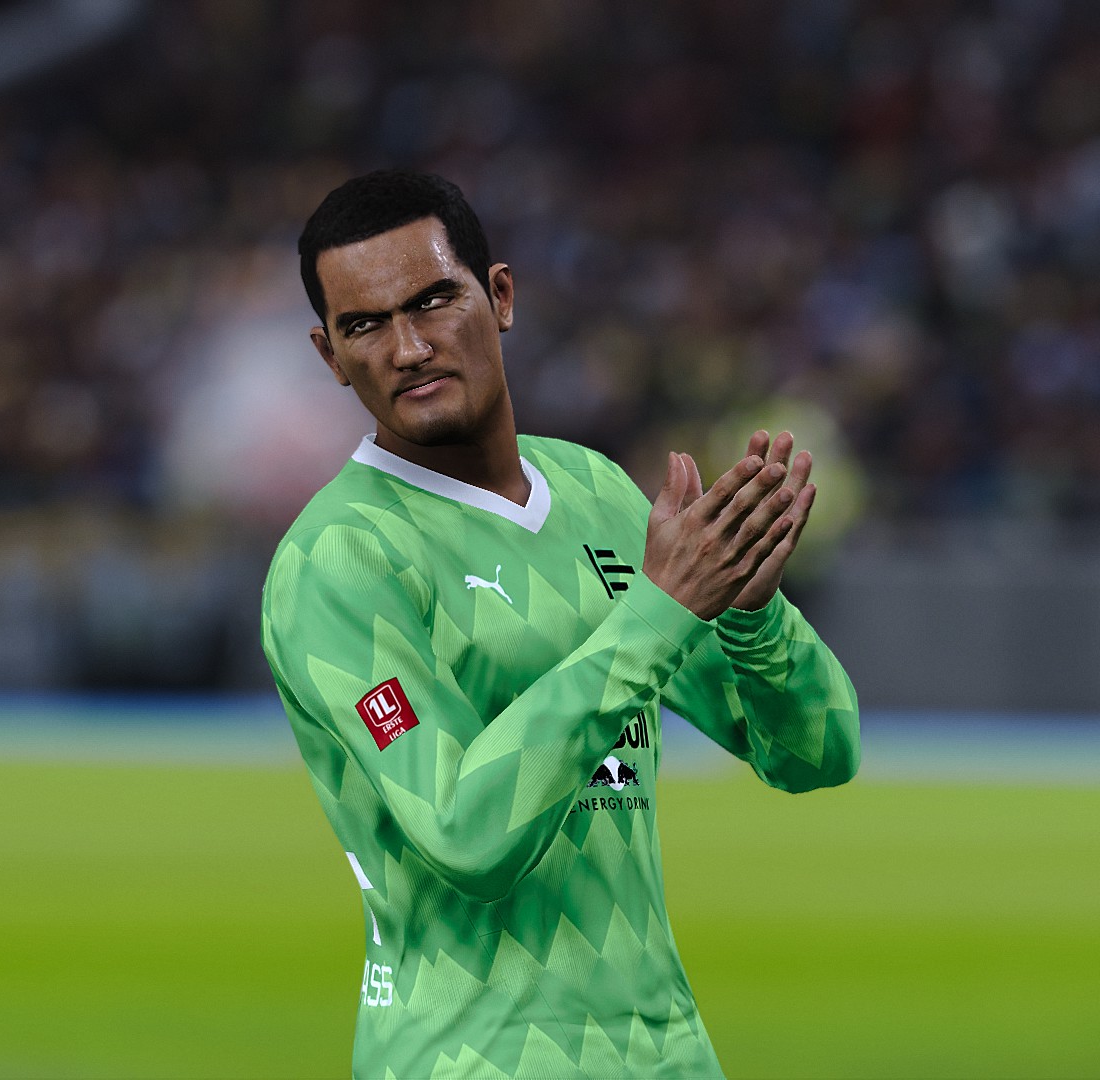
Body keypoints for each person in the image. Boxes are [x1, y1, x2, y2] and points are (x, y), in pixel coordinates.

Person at [261, 170, 860, 1078]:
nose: (409, 347)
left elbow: (818, 752)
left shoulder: (595, 492)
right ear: (331, 355)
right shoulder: (340, 560)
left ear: (500, 296)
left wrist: (750, 611)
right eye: (365, 325)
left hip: (664, 1056)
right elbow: (465, 835)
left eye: (433, 301)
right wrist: (659, 614)